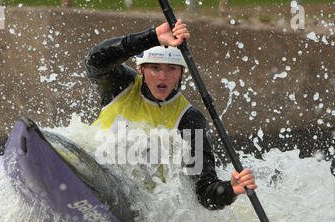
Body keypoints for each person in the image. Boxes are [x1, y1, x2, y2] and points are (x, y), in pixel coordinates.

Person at [85, 19, 257, 210]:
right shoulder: (120, 86)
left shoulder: (190, 120)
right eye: (155, 68)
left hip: (136, 205)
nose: (163, 77)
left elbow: (204, 192)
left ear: (182, 72)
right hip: (92, 171)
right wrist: (152, 37)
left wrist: (230, 189)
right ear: (141, 69)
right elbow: (95, 61)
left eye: (171, 69)